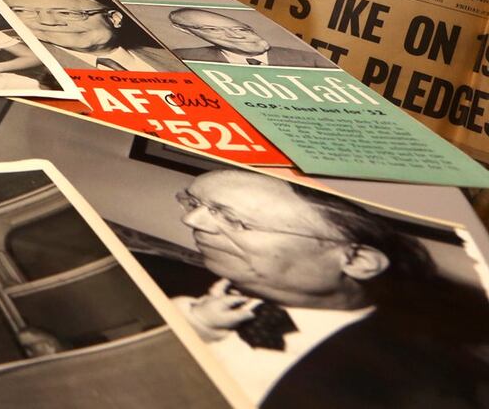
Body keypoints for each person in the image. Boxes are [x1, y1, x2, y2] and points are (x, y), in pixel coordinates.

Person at [140, 169, 489, 407]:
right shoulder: (154, 275)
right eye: (193, 203)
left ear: (357, 261)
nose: (190, 221)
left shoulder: (417, 384)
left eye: (233, 220)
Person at [0, 0, 186, 73]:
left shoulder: (175, 59)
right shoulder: (22, 62)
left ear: (115, 18)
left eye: (67, 13)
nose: (48, 22)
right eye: (23, 11)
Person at [164, 8, 332, 68]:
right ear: (186, 31)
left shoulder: (313, 61)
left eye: (241, 28)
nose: (237, 35)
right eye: (214, 30)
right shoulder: (178, 58)